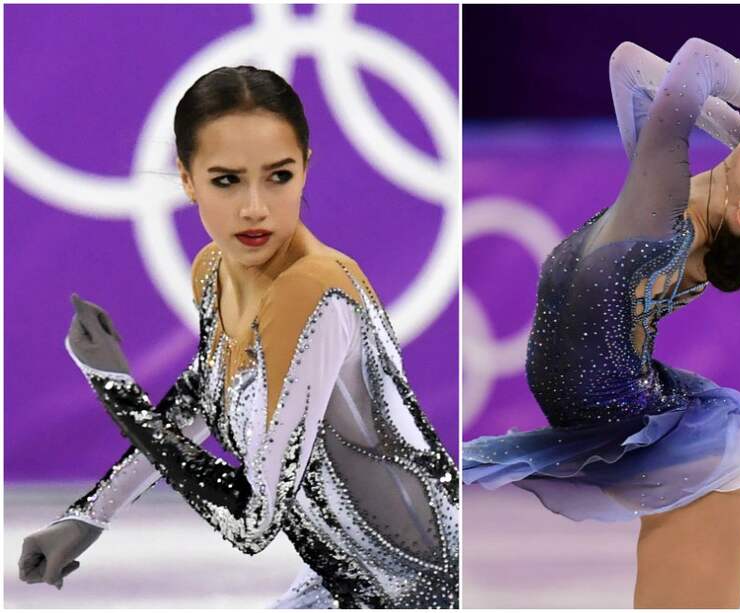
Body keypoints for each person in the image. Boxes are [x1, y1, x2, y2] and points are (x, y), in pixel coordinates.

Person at [463, 38, 740, 607]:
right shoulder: (671, 216)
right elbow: (634, 67)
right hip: (643, 417)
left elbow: (696, 63)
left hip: (680, 448)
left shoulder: (652, 218)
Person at [18, 66, 459, 609]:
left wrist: (116, 391)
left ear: (305, 169)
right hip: (338, 579)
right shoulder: (212, 273)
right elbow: (199, 404)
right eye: (227, 180)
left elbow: (253, 522)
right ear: (187, 179)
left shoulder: (313, 291)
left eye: (279, 176)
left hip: (420, 592)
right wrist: (89, 517)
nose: (255, 208)